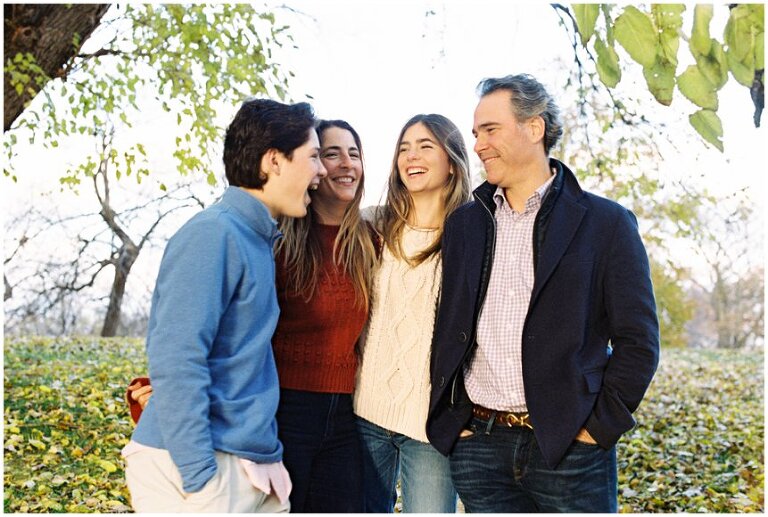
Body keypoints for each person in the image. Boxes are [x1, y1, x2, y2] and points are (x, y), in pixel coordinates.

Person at [426, 74, 660, 513]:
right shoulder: (465, 225)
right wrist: (453, 420)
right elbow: (448, 329)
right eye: (476, 133)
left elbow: (639, 341)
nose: (478, 145)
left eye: (490, 130)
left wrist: (596, 428)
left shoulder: (605, 223)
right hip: (480, 446)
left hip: (571, 451)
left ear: (534, 128)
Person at [126, 119, 378, 513]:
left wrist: (262, 451)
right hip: (203, 464)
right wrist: (200, 477)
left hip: (248, 454)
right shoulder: (214, 234)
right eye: (315, 156)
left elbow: (238, 352)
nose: (322, 170)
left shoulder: (256, 238)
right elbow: (178, 356)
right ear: (274, 162)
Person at [353, 113, 471, 513]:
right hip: (364, 414)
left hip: (430, 428)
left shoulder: (472, 236)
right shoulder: (372, 225)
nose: (410, 156)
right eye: (404, 148)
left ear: (452, 161)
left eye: (425, 146)